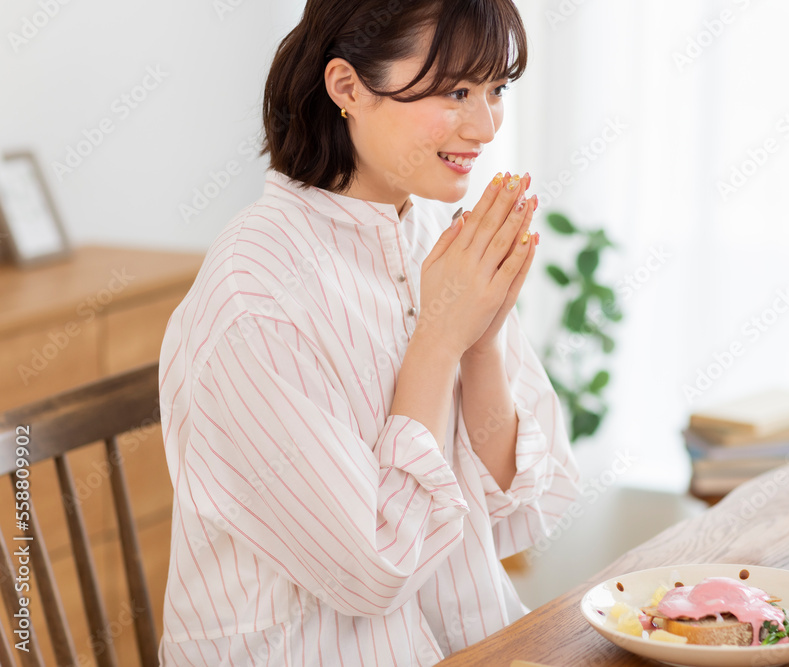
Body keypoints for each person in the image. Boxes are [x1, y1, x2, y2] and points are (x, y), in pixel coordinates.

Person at [158, 0, 580, 664]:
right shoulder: (256, 296)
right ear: (348, 87)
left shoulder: (434, 234)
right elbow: (372, 569)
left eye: (497, 88)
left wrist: (481, 344)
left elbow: (522, 507)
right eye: (456, 91)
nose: (485, 125)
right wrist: (437, 341)